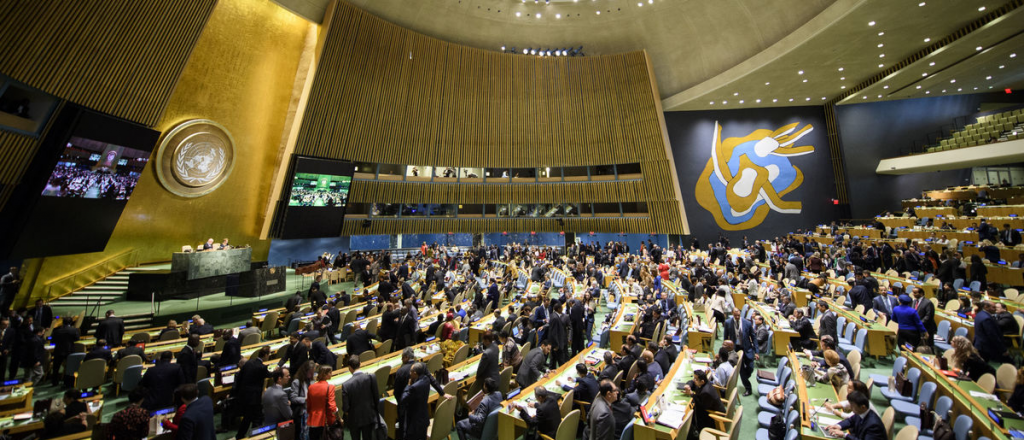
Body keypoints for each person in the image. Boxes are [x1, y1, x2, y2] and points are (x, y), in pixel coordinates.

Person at [234, 346, 273, 440]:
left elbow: (239, 378)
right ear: (266, 355)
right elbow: (269, 375)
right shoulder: (262, 367)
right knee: (256, 418)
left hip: (243, 395)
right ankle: (254, 436)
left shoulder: (249, 362)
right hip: (254, 398)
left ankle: (241, 436)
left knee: (248, 417)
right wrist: (276, 372)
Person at [342, 355, 381, 440]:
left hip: (354, 419)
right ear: (360, 364)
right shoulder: (371, 377)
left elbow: (345, 408)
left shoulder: (346, 385)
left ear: (349, 367)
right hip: (368, 416)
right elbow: (376, 398)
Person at [684, 370, 725, 437]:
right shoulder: (704, 383)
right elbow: (692, 382)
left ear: (702, 381)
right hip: (708, 408)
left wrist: (691, 394)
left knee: (691, 414)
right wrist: (688, 385)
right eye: (694, 378)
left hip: (714, 416)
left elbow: (701, 405)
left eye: (696, 379)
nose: (694, 380)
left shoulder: (706, 392)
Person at [399, 363, 431, 440]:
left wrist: (408, 385)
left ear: (415, 373)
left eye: (411, 372)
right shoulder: (426, 379)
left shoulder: (414, 387)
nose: (410, 374)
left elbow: (403, 399)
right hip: (424, 418)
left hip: (414, 422)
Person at [306, 365, 337, 440]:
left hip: (312, 420)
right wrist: (338, 418)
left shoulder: (311, 387)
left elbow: (308, 405)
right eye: (330, 372)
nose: (331, 374)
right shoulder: (330, 387)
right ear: (325, 374)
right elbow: (332, 407)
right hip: (325, 420)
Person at [290, 360, 315, 440]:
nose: (311, 375)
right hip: (302, 412)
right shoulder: (297, 382)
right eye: (310, 373)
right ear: (305, 371)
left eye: (312, 372)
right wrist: (305, 399)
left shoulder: (312, 380)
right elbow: (293, 398)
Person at [50, 318, 80, 386]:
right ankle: (68, 382)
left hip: (58, 350)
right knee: (70, 367)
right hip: (69, 351)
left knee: (56, 368)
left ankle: (55, 382)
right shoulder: (74, 330)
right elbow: (77, 339)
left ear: (63, 322)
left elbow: (53, 341)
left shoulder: (56, 330)